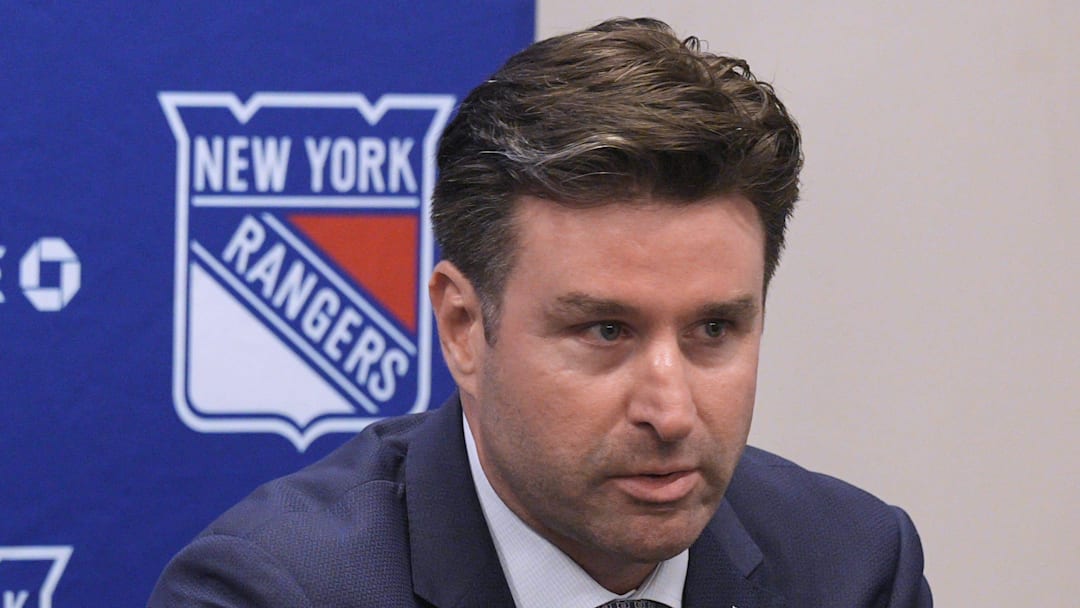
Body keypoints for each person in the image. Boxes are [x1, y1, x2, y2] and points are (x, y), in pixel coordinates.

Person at [149, 17, 932, 607]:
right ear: (462, 326)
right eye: (606, 331)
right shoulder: (274, 592)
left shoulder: (855, 568)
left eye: (714, 330)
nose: (671, 409)